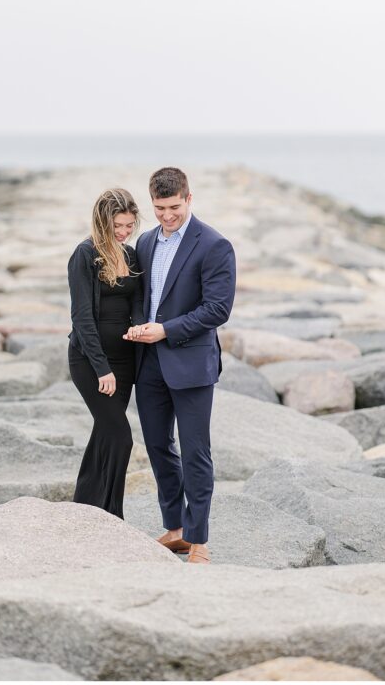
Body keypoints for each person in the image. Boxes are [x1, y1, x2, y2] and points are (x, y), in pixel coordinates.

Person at [124, 167, 236, 564]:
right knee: (156, 445)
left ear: (189, 199)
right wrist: (138, 328)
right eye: (159, 208)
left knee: (195, 451)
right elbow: (142, 296)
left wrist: (166, 330)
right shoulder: (146, 241)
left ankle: (200, 541)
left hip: (190, 362)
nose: (167, 215)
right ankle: (175, 529)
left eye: (174, 207)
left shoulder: (214, 245)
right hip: (149, 362)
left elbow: (218, 309)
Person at [67, 187, 143, 519]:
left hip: (124, 360)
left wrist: (139, 328)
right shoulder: (84, 255)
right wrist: (102, 369)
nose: (125, 232)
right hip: (91, 362)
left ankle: (85, 507)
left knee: (104, 433)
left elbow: (136, 302)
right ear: (103, 221)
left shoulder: (130, 255)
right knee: (121, 437)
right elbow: (81, 317)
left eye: (129, 226)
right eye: (118, 226)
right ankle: (113, 515)